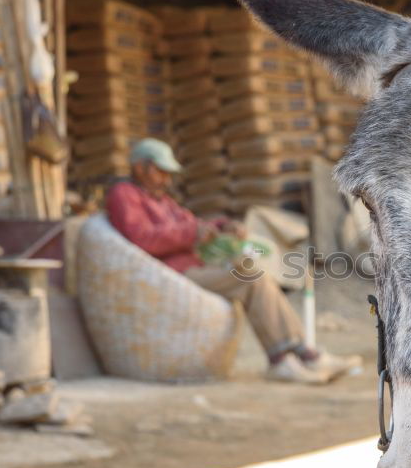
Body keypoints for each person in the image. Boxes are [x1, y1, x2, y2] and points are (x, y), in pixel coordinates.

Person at [105, 137, 359, 384]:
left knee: (253, 271)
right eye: (160, 172)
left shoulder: (161, 198)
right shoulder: (124, 194)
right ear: (140, 167)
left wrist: (220, 226)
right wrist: (192, 234)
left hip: (191, 266)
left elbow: (190, 223)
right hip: (169, 274)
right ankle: (292, 357)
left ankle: (296, 354)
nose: (166, 179)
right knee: (251, 279)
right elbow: (141, 238)